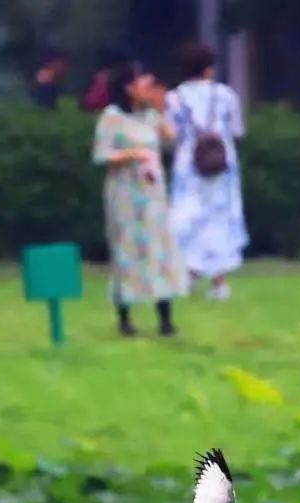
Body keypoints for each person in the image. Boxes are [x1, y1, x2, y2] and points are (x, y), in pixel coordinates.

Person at [92, 62, 188, 337]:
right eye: (144, 86)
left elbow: (172, 141)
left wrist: (161, 111)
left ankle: (166, 317)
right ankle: (125, 316)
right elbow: (102, 155)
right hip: (124, 191)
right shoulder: (112, 117)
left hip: (152, 192)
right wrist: (132, 154)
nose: (149, 90)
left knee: (160, 247)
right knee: (126, 247)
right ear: (128, 89)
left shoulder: (150, 116)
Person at [166, 42, 250, 301]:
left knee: (186, 220)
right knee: (220, 220)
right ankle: (219, 282)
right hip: (221, 165)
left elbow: (171, 135)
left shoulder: (174, 98)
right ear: (209, 68)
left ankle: (188, 275)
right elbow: (237, 131)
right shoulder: (225, 95)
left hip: (188, 167)